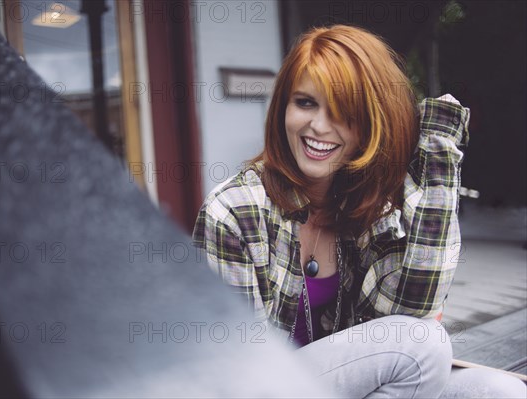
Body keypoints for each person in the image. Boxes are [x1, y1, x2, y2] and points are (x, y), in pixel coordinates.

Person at [193, 25, 526, 397]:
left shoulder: (371, 207)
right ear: (283, 107)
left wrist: (437, 161)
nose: (318, 126)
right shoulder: (234, 212)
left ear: (372, 122)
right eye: (305, 102)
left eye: (343, 112)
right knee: (420, 342)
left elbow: (414, 305)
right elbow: (239, 373)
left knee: (498, 390)